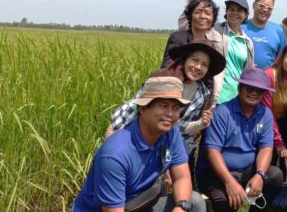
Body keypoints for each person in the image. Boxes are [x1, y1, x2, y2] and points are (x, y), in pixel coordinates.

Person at [73, 77, 205, 212]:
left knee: (194, 202)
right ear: (142, 109)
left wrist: (181, 207)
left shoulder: (171, 133)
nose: (170, 114)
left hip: (141, 202)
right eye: (163, 106)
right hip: (108, 209)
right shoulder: (115, 154)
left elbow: (181, 177)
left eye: (176, 108)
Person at [108, 41, 226, 174]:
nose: (198, 67)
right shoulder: (161, 79)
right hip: (137, 138)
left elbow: (179, 127)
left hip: (167, 142)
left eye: (205, 65)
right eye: (195, 60)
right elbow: (130, 110)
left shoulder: (200, 92)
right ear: (185, 59)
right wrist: (110, 144)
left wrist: (201, 123)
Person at [196, 68, 284, 212]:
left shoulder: (265, 114)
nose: (254, 93)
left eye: (259, 90)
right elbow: (212, 151)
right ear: (240, 87)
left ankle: (256, 208)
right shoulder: (222, 112)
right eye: (249, 88)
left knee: (275, 175)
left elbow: (266, 147)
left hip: (247, 170)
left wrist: (259, 175)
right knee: (224, 202)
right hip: (217, 173)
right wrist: (229, 182)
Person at [161, 0, 222, 68]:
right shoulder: (177, 39)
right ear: (190, 16)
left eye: (207, 13)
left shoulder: (211, 45)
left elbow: (209, 76)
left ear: (213, 18)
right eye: (198, 12)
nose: (202, 16)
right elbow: (166, 68)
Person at [215, 0, 255, 104]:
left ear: (246, 15)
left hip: (235, 96)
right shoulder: (215, 30)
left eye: (239, 10)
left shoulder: (247, 42)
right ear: (226, 12)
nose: (234, 13)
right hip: (215, 95)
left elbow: (247, 72)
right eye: (231, 9)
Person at [242, 0, 286, 69]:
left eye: (269, 8)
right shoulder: (241, 27)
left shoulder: (279, 31)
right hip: (242, 78)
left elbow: (281, 58)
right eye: (262, 6)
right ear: (253, 5)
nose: (265, 10)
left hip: (268, 79)